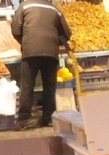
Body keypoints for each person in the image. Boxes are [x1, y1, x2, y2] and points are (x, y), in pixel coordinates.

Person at [10, 0, 71, 130]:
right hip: (50, 52)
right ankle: (48, 118)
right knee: (49, 86)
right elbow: (67, 33)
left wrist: (24, 40)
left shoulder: (25, 6)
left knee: (27, 86)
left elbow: (15, 28)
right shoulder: (55, 9)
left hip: (30, 51)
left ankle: (23, 120)